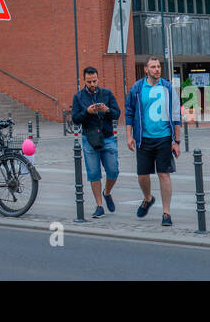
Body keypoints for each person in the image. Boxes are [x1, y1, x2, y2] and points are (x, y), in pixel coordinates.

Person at [124, 56, 182, 226]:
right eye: (153, 67)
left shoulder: (168, 87)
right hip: (144, 139)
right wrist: (129, 136)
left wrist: (176, 141)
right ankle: (148, 198)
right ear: (146, 69)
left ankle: (166, 213)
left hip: (164, 139)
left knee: (164, 174)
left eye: (158, 66)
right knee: (142, 176)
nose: (157, 69)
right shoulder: (137, 88)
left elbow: (176, 115)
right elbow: (129, 112)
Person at [70, 66, 121, 218]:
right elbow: (75, 119)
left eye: (94, 81)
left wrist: (106, 110)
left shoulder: (107, 93)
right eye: (89, 82)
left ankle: (107, 192)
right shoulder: (78, 97)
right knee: (94, 173)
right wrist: (87, 112)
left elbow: (117, 113)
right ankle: (99, 205)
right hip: (89, 138)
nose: (92, 84)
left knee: (113, 170)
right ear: (84, 81)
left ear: (98, 79)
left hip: (107, 137)